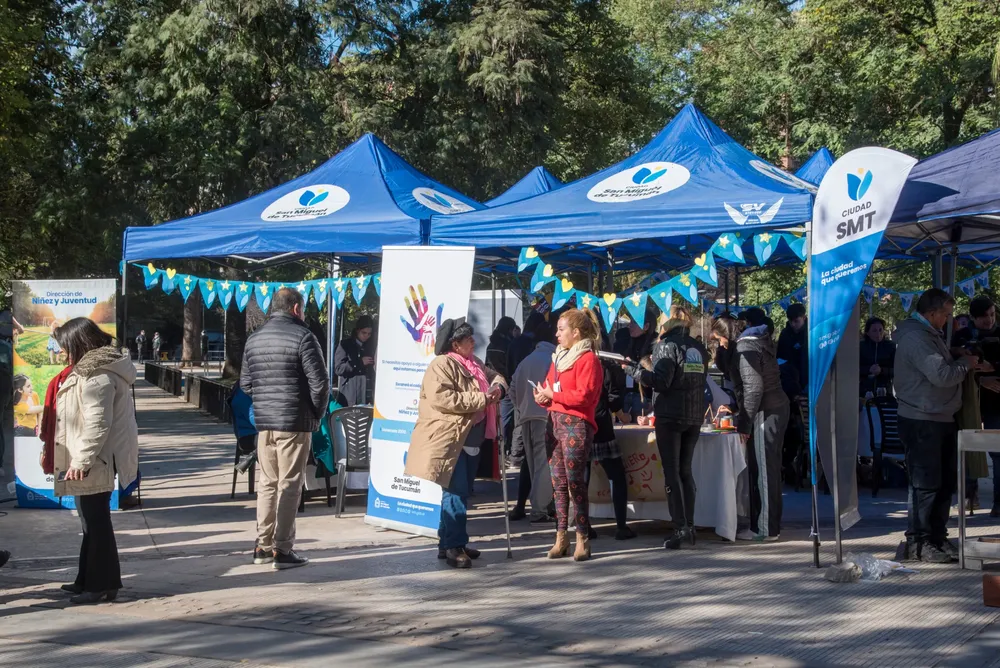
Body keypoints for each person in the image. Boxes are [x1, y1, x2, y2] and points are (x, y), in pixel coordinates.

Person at [404, 318, 506, 569]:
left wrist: (498, 388)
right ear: (455, 344)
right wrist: (483, 398)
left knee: (458, 491)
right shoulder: (441, 365)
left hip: (471, 438)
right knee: (456, 492)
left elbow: (496, 377)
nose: (473, 341)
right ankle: (454, 546)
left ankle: (448, 542)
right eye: (467, 339)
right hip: (449, 439)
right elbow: (444, 399)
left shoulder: (475, 363)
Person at [240, 288, 330, 570]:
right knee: (289, 484)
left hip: (265, 423)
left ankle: (262, 545)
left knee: (267, 483)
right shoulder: (304, 336)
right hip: (294, 421)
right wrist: (316, 414)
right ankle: (282, 548)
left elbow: (245, 384)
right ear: (295, 309)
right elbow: (321, 383)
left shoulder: (254, 338)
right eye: (303, 309)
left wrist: (264, 404)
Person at [50, 318, 138, 605]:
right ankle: (90, 580)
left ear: (78, 344)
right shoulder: (94, 369)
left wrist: (82, 461)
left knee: (96, 520)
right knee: (91, 520)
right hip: (93, 458)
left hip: (95, 459)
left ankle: (100, 584)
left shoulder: (97, 375)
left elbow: (97, 424)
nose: (62, 352)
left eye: (65, 347)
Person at [894, 289, 980, 563]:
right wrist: (965, 363)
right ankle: (920, 542)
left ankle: (937, 537)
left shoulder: (930, 334)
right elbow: (942, 375)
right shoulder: (917, 338)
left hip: (939, 417)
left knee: (943, 484)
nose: (948, 319)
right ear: (931, 314)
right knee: (925, 484)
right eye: (945, 314)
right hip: (922, 419)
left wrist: (954, 353)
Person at [631, 306, 708, 549]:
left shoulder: (665, 346)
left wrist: (635, 372)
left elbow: (661, 382)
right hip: (694, 415)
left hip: (670, 416)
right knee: (686, 471)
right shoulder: (698, 347)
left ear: (667, 324)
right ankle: (690, 526)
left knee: (672, 472)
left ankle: (680, 527)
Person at [534, 308, 604, 562]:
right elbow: (551, 389)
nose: (557, 334)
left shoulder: (588, 359)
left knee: (576, 483)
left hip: (576, 425)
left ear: (575, 333)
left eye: (561, 329)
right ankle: (560, 536)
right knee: (559, 484)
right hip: (554, 423)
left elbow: (585, 396)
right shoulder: (559, 358)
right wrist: (543, 396)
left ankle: (582, 536)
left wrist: (553, 396)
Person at [731, 308, 790, 542]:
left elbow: (754, 388)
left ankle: (765, 529)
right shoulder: (762, 342)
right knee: (769, 470)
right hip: (774, 408)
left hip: (766, 411)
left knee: (765, 472)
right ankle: (768, 524)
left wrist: (744, 423)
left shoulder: (746, 347)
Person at [952, 295, 1000, 517]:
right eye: (983, 318)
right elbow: (953, 366)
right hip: (968, 401)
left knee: (998, 452)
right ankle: (969, 497)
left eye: (992, 315)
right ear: (972, 318)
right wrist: (981, 379)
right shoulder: (960, 336)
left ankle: (999, 502)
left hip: (996, 403)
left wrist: (993, 367)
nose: (989, 321)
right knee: (967, 448)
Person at [509, 320, 556, 524]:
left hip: (526, 417)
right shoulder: (553, 360)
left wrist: (521, 406)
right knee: (543, 467)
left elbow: (511, 389)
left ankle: (538, 507)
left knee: (533, 465)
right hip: (544, 417)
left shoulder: (526, 361)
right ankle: (539, 510)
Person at [593, 352, 635, 541]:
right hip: (601, 425)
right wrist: (621, 414)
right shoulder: (604, 365)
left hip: (580, 425)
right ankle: (620, 525)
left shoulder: (571, 360)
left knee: (581, 478)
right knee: (617, 476)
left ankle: (583, 525)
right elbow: (613, 397)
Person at [334, 315, 376, 406]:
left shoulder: (370, 346)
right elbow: (338, 368)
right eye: (364, 333)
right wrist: (359, 363)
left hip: (366, 391)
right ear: (357, 330)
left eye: (369, 334)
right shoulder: (345, 344)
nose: (366, 336)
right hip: (349, 393)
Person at [859, 317, 896, 397]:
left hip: (885, 391)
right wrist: (868, 369)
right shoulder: (860, 347)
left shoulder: (891, 346)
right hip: (864, 391)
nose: (878, 334)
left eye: (880, 330)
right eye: (874, 331)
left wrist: (881, 370)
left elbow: (897, 370)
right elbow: (854, 369)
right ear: (868, 333)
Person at [777, 303, 808, 393]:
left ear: (804, 317)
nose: (793, 324)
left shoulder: (811, 333)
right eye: (790, 321)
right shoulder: (785, 334)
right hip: (788, 381)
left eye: (796, 321)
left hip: (808, 379)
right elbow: (780, 357)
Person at [229, 384, 257, 473]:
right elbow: (254, 419)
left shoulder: (241, 390)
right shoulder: (243, 393)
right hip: (249, 436)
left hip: (251, 434)